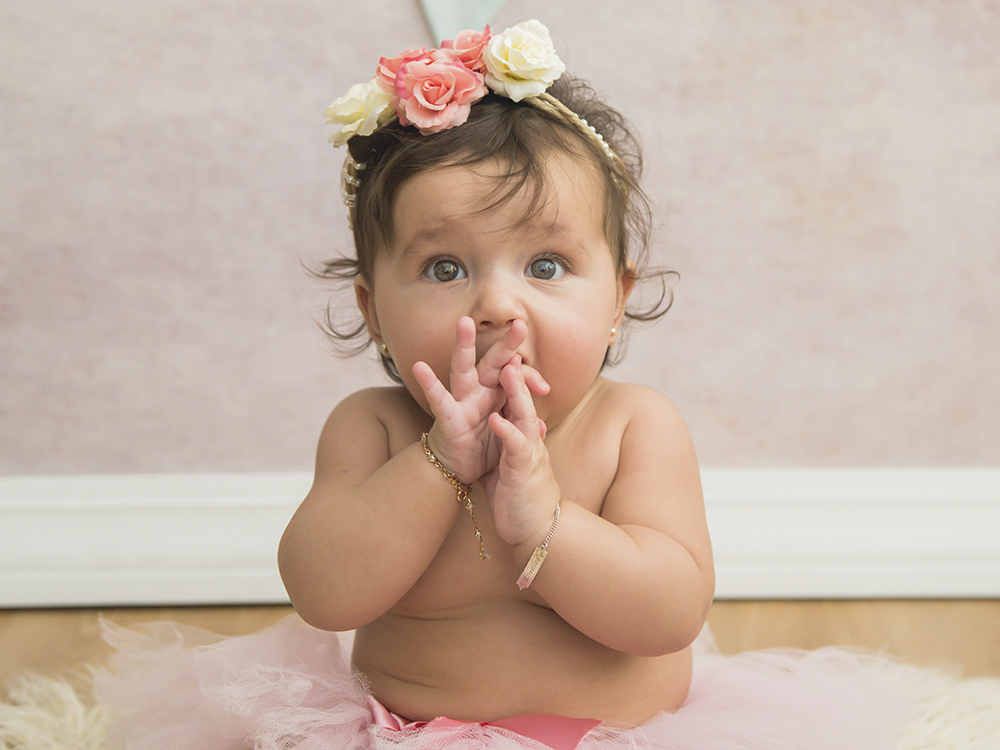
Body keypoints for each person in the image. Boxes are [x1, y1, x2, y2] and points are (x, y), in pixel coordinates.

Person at [96, 21, 903, 750]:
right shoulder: (372, 430)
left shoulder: (633, 427)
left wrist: (546, 520)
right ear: (373, 310)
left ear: (618, 296)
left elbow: (668, 616)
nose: (496, 304)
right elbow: (325, 596)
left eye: (546, 265)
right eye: (445, 268)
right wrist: (439, 461)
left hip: (619, 738)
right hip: (403, 734)